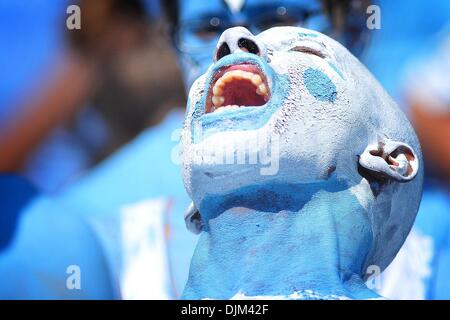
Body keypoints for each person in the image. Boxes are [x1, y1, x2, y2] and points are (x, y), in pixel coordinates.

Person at [0, 0, 372, 299]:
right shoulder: (76, 230)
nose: (236, 45)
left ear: (352, 29)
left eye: (279, 17)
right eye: (208, 26)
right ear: (171, 41)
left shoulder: (419, 221)